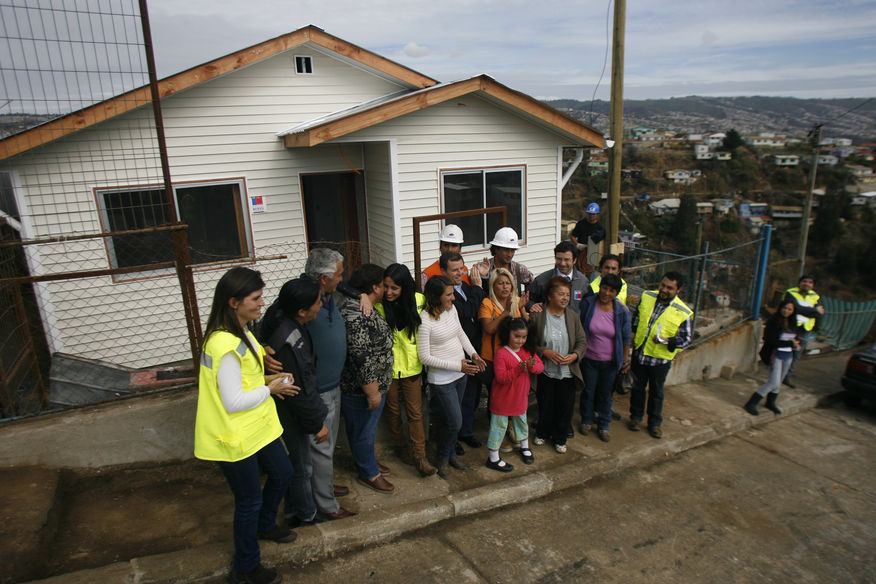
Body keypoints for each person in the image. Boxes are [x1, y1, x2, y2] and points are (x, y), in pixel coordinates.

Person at [194, 267, 299, 584]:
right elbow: (232, 401)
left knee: (283, 473)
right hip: (233, 436)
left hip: (257, 428)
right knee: (248, 501)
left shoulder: (242, 331)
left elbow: (245, 381)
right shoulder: (223, 346)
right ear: (233, 302)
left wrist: (267, 379)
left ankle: (265, 525)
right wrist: (271, 389)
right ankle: (246, 568)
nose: (260, 303)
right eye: (255, 298)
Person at [259, 278, 340, 530]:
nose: (321, 306)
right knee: (301, 467)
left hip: (297, 414)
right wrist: (317, 424)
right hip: (292, 419)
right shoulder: (287, 341)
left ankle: (299, 509)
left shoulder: (293, 325)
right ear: (302, 310)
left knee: (300, 466)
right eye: (317, 303)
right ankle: (305, 516)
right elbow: (297, 390)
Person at [300, 249, 359, 521]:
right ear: (323, 279)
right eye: (337, 274)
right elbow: (271, 325)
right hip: (317, 391)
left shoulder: (329, 294)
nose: (341, 278)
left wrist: (365, 295)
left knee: (329, 444)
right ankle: (327, 505)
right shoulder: (302, 298)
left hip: (333, 384)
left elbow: (348, 286)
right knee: (320, 447)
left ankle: (323, 486)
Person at [417, 275, 487, 478]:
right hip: (442, 380)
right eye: (449, 295)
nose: (453, 298)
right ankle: (442, 458)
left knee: (453, 420)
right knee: (454, 421)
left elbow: (460, 333)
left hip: (460, 374)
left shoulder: (451, 310)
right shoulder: (425, 321)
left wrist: (473, 354)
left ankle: (449, 455)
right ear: (436, 297)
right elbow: (425, 357)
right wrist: (458, 365)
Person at [375, 264, 436, 477]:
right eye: (386, 287)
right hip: (389, 370)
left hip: (412, 367)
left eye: (394, 288)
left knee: (414, 413)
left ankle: (420, 457)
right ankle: (401, 448)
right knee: (392, 411)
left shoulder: (419, 301)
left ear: (405, 288)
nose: (389, 292)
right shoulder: (378, 306)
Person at [339, 263, 395, 493]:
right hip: (361, 389)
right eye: (383, 285)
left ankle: (365, 461)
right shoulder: (356, 314)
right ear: (375, 287)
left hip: (372, 385)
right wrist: (372, 391)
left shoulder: (362, 304)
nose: (386, 289)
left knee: (363, 430)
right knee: (364, 430)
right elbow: (360, 356)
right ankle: (369, 473)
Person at [628, 271, 693, 439]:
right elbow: (637, 318)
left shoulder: (682, 311)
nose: (664, 290)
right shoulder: (647, 296)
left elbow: (686, 340)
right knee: (637, 388)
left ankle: (654, 424)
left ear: (678, 290)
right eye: (663, 285)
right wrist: (633, 334)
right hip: (640, 353)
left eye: (670, 288)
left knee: (656, 392)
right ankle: (635, 417)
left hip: (659, 360)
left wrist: (668, 341)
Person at [530, 277, 587, 453]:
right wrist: (544, 352)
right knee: (545, 404)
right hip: (545, 371)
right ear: (549, 296)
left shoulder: (573, 317)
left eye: (567, 295)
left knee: (565, 407)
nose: (565, 298)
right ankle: (542, 432)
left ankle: (560, 437)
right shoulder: (538, 315)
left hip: (567, 371)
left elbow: (582, 341)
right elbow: (529, 343)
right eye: (561, 294)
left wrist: (575, 355)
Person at [440, 251, 486, 449]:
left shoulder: (467, 287)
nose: (460, 273)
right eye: (454, 270)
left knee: (472, 395)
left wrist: (476, 287)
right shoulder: (444, 293)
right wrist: (478, 287)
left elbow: (479, 305)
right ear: (443, 271)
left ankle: (466, 431)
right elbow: (467, 311)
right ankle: (453, 438)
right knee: (456, 399)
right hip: (455, 353)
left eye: (462, 268)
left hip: (474, 349)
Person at [578, 274, 632, 443]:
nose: (606, 293)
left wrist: (625, 360)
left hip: (610, 362)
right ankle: (586, 420)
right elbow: (580, 327)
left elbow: (625, 338)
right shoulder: (588, 303)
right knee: (588, 391)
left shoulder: (621, 312)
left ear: (616, 293)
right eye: (604, 288)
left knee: (606, 394)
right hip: (589, 359)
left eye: (611, 290)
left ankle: (604, 424)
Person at [486, 318, 544, 471]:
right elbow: (501, 377)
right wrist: (520, 368)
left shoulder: (528, 351)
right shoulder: (501, 354)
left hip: (520, 398)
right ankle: (493, 457)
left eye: (524, 337)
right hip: (503, 400)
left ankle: (524, 447)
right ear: (507, 334)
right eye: (517, 336)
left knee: (521, 423)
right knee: (498, 427)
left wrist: (531, 367)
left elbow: (540, 367)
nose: (520, 340)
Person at [744, 299, 801, 416]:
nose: (786, 311)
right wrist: (790, 344)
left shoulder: (792, 323)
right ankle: (752, 402)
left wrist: (795, 343)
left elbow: (794, 337)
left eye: (789, 309)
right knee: (773, 382)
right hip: (775, 355)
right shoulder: (773, 321)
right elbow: (771, 340)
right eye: (784, 308)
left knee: (779, 381)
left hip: (788, 355)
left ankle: (771, 402)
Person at [479, 267, 530, 365]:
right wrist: (506, 312)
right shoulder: (487, 303)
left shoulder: (518, 301)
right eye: (500, 283)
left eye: (508, 283)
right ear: (493, 286)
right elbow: (489, 329)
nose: (505, 287)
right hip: (493, 358)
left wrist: (522, 309)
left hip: (516, 356)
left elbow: (528, 327)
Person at [781, 274, 824, 388]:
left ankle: (787, 377)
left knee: (797, 354)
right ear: (800, 282)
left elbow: (819, 313)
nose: (807, 284)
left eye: (810, 282)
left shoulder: (816, 296)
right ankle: (777, 374)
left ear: (813, 285)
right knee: (783, 350)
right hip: (791, 326)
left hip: (805, 329)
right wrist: (813, 310)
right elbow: (793, 308)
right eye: (805, 281)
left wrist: (811, 311)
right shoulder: (791, 293)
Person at [528, 241, 590, 313]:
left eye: (567, 259)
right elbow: (527, 300)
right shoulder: (542, 280)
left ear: (574, 260)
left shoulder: (583, 281)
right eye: (559, 259)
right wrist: (531, 305)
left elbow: (589, 305)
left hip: (574, 324)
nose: (562, 263)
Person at [471, 227, 534, 295]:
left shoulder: (520, 269)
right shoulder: (481, 269)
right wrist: (483, 277)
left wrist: (528, 302)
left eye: (512, 250)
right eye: (506, 250)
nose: (510, 254)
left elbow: (532, 284)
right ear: (496, 249)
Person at [420, 224, 471, 290]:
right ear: (440, 247)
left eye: (454, 245)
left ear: (460, 248)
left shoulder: (464, 270)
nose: (449, 249)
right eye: (446, 245)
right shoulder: (427, 275)